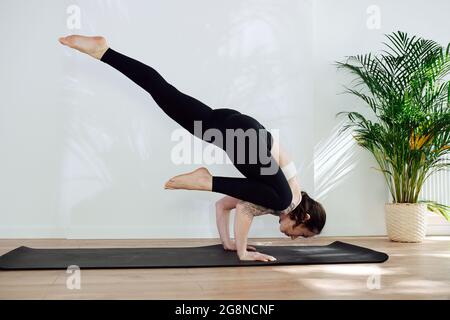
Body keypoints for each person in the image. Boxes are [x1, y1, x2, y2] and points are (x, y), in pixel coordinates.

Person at [59, 35, 326, 262]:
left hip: (232, 127)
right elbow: (245, 210)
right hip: (245, 137)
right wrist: (243, 252)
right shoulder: (285, 199)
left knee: (163, 92)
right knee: (278, 199)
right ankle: (205, 180)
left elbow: (223, 206)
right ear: (302, 216)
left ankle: (104, 52)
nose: (292, 236)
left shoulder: (276, 191)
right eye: (300, 233)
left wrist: (229, 243)